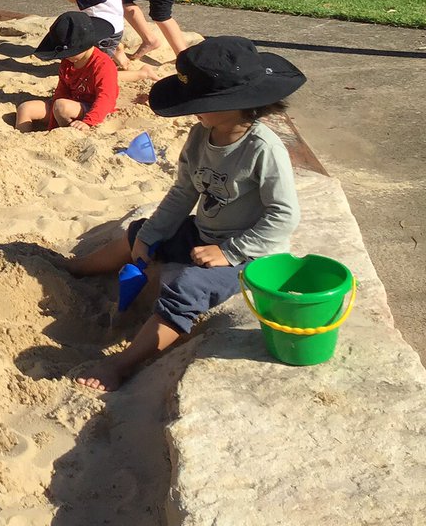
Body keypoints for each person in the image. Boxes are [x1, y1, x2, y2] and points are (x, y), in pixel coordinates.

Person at [67, 37, 306, 391]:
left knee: (185, 286)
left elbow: (283, 216)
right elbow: (183, 192)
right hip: (204, 232)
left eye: (201, 102)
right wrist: (151, 236)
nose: (193, 110)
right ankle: (75, 268)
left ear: (237, 103)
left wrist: (228, 252)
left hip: (250, 256)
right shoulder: (200, 134)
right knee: (138, 232)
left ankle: (122, 363)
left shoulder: (262, 148)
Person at [16, 12, 120, 133]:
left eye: (69, 53)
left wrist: (88, 121)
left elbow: (106, 98)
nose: (65, 57)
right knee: (25, 108)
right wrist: (52, 125)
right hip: (67, 104)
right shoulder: (67, 62)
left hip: (94, 109)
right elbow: (61, 91)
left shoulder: (103, 64)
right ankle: (21, 141)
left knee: (62, 107)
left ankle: (68, 134)